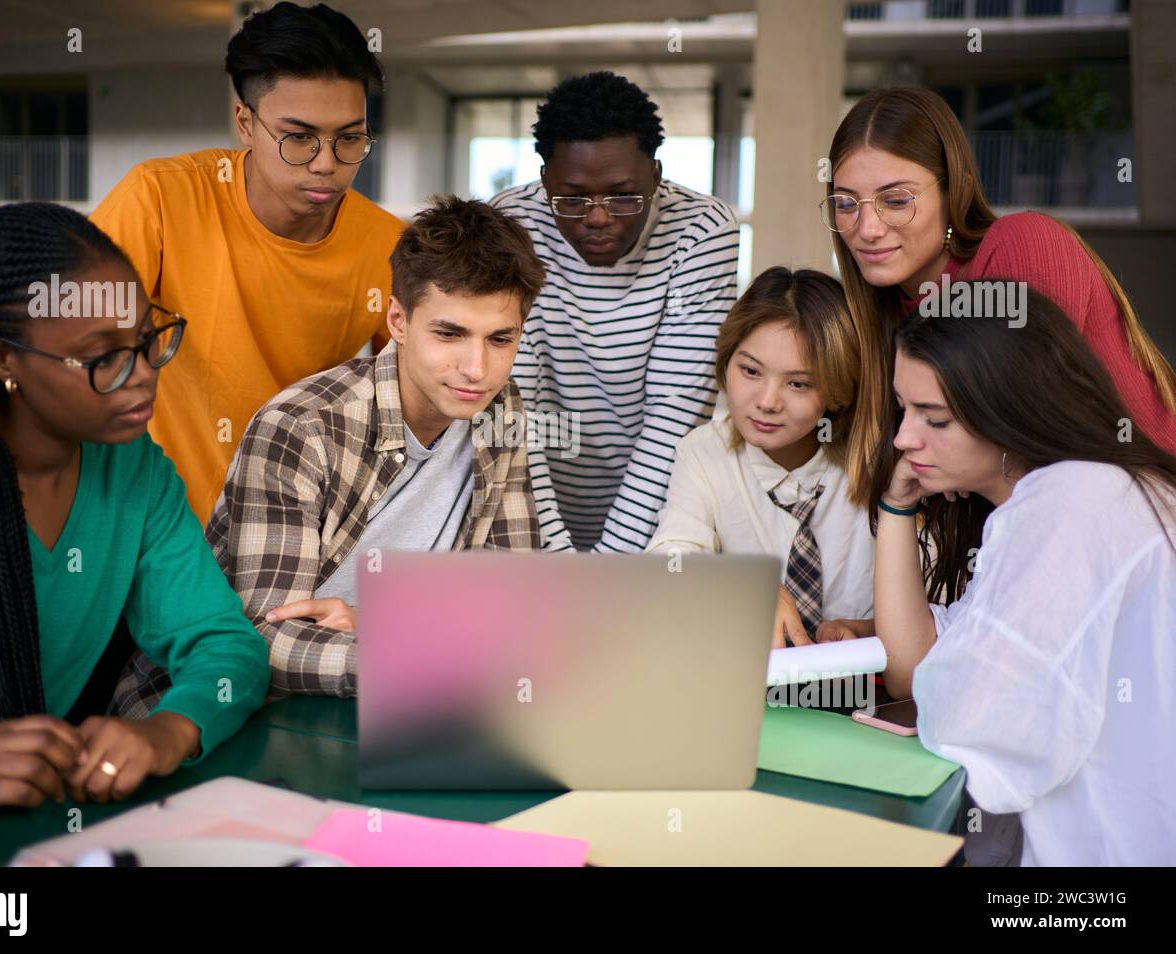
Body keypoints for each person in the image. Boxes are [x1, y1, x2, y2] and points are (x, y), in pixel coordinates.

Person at [0, 203, 270, 853]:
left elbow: (224, 645)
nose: (143, 373)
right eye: (103, 358)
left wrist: (166, 730)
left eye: (148, 340)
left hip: (19, 842)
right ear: (2, 361)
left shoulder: (134, 472)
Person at [111, 196, 544, 708]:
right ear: (399, 321)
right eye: (449, 334)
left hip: (385, 708)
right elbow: (265, 640)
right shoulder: (301, 427)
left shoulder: (500, 408)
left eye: (501, 339)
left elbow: (511, 602)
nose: (477, 368)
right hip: (216, 717)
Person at [870, 282, 1175, 866]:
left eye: (933, 418)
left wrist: (942, 696)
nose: (904, 438)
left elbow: (969, 721)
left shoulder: (1069, 502)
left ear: (1009, 411)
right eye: (903, 409)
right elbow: (916, 670)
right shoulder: (1094, 491)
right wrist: (896, 507)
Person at [91, 2, 405, 522]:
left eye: (349, 138)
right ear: (245, 123)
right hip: (158, 522)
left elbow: (409, 407)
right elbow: (68, 346)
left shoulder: (389, 245)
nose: (326, 164)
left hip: (298, 526)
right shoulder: (159, 198)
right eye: (299, 138)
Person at [824, 85, 1176, 512]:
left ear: (955, 191)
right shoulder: (876, 316)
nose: (867, 228)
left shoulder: (1022, 243)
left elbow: (1029, 438)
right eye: (845, 204)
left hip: (1148, 526)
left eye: (896, 200)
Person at [492, 71, 741, 553]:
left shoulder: (703, 230)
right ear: (544, 181)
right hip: (528, 504)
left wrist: (609, 567)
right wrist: (561, 560)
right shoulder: (512, 223)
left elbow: (673, 416)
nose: (598, 216)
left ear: (656, 176)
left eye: (624, 195)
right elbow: (517, 408)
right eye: (573, 197)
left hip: (662, 515)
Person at [648, 267, 873, 648]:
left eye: (799, 383)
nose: (767, 402)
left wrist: (866, 631)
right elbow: (669, 566)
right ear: (726, 363)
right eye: (750, 370)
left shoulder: (876, 461)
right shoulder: (704, 453)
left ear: (839, 390)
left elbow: (939, 606)